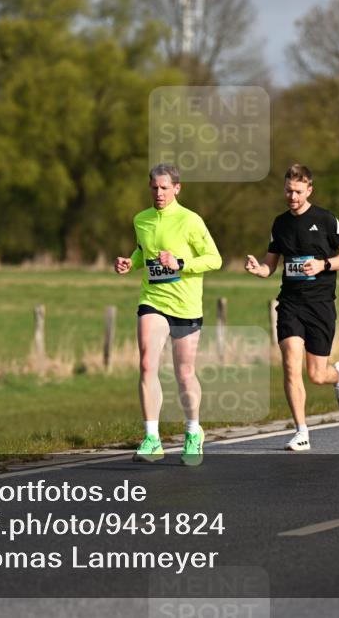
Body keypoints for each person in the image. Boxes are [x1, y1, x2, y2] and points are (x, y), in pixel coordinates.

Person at [245, 164, 339, 451]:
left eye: (297, 191)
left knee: (317, 374)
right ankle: (301, 431)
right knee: (290, 364)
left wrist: (324, 264)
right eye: (287, 190)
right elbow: (271, 264)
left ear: (309, 190)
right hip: (290, 304)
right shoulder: (280, 223)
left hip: (320, 305)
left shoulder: (325, 219)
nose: (291, 196)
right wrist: (260, 270)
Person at [114, 164, 222, 464]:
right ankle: (151, 438)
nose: (158, 193)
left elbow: (214, 259)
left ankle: (193, 431)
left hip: (185, 305)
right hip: (153, 299)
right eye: (154, 187)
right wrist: (130, 263)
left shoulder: (191, 221)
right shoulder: (142, 219)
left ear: (177, 188)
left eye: (164, 188)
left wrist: (180, 263)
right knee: (147, 362)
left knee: (184, 373)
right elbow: (143, 251)